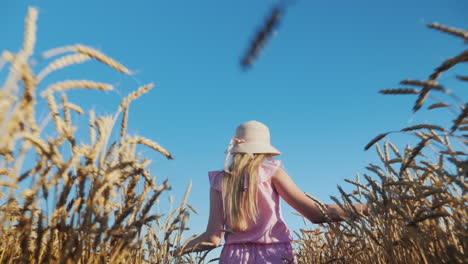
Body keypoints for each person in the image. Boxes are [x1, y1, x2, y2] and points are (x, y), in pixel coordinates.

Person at [175, 121, 368, 263]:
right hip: (275, 256)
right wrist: (372, 207)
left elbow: (212, 238)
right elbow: (317, 214)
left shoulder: (219, 181)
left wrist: (174, 250)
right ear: (264, 151)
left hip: (233, 258)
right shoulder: (272, 172)